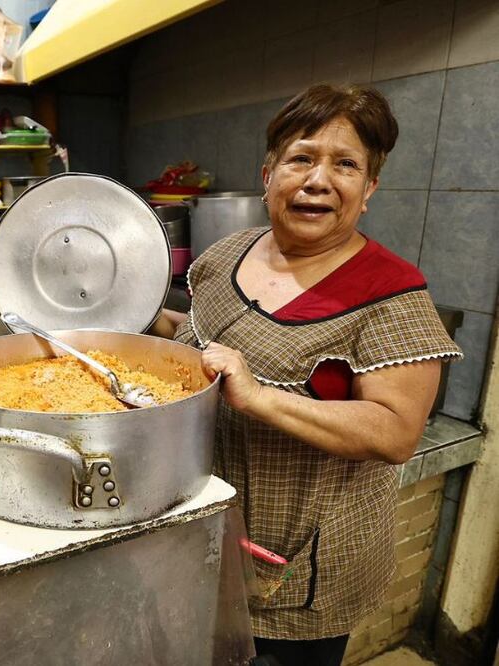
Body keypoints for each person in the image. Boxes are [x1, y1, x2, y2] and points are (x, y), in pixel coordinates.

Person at [152, 84, 461, 666]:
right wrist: (146, 322)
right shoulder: (226, 256)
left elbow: (395, 434)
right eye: (302, 158)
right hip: (201, 535)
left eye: (345, 165)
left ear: (368, 190)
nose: (318, 180)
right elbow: (198, 342)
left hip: (298, 566)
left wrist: (260, 396)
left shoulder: (392, 296)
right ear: (268, 173)